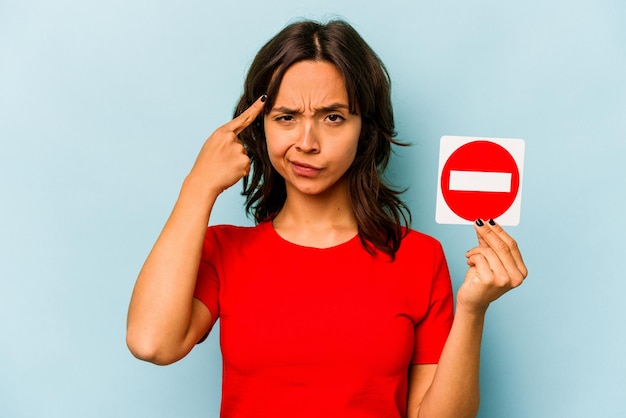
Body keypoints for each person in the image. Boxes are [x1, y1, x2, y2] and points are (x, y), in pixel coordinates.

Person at [126, 19, 527, 418]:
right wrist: (198, 187)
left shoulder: (419, 258)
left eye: (332, 117)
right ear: (258, 127)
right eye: (286, 117)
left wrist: (473, 311)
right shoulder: (224, 251)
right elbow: (152, 343)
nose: (307, 143)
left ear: (364, 130)